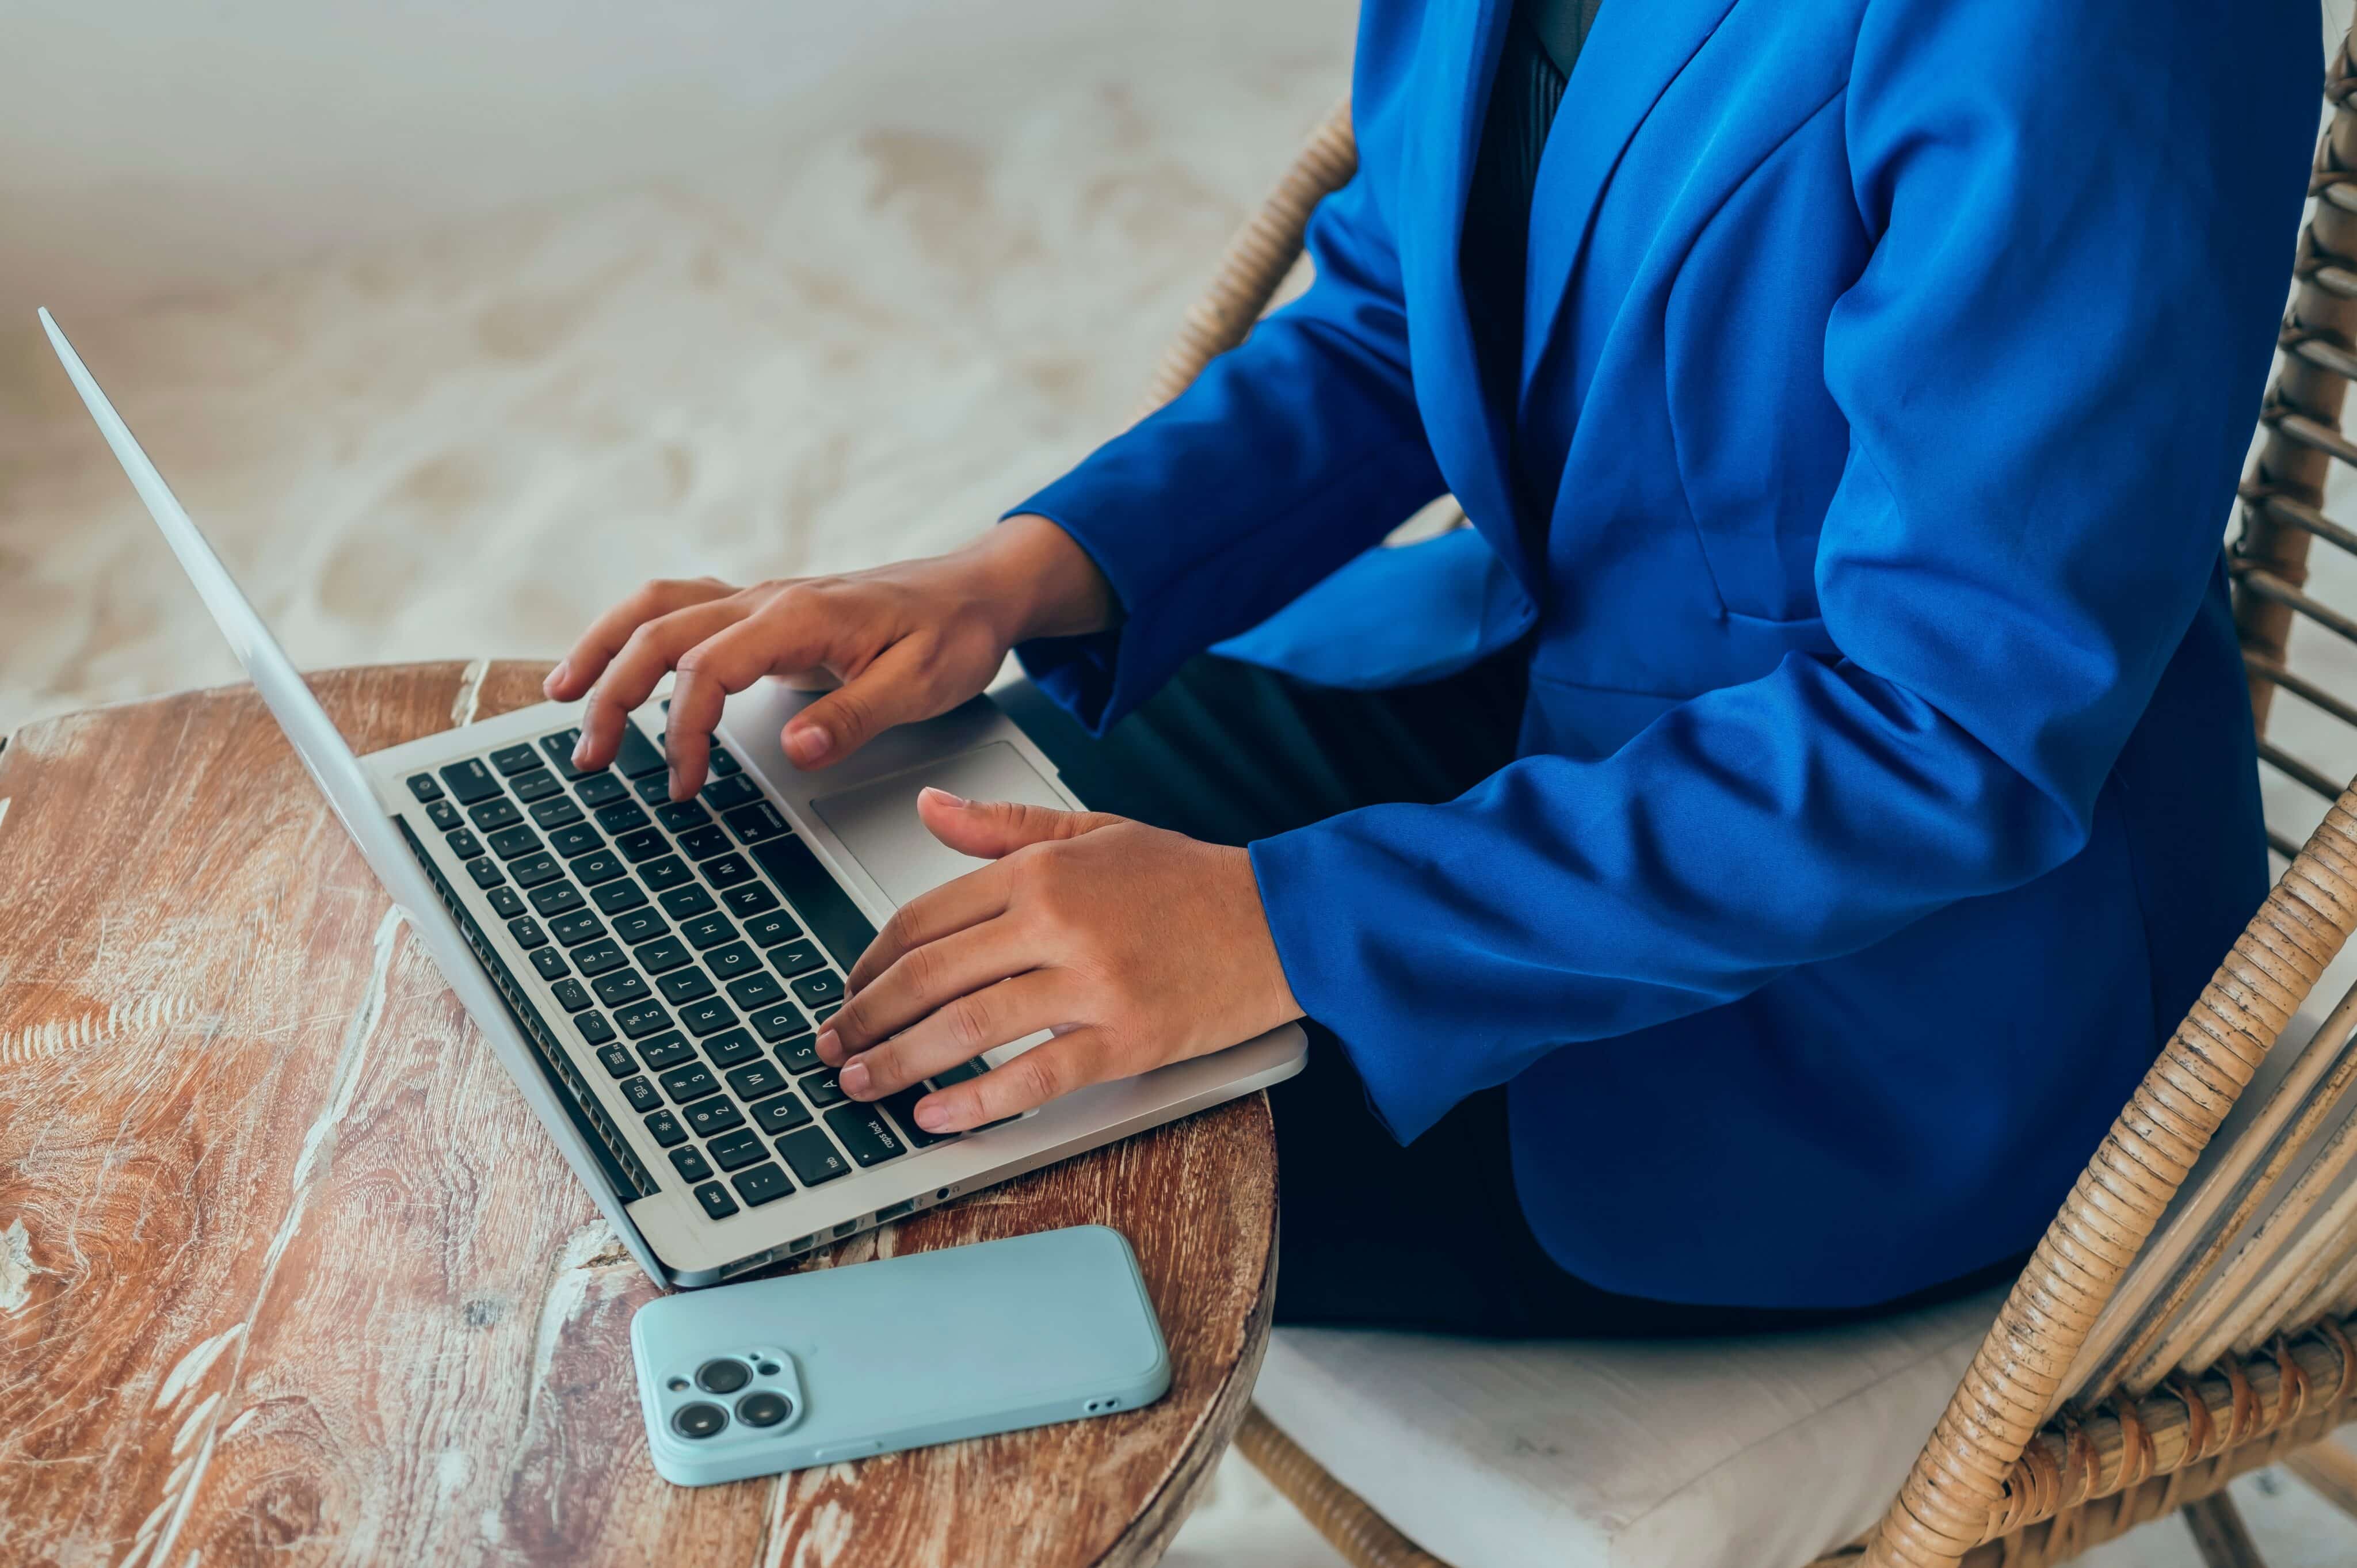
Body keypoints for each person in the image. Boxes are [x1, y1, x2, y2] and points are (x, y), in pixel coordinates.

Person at [553, 0, 2318, 1335]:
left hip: (1876, 997)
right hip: (1520, 677)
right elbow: (1412, 308)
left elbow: (1957, 730)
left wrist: (1286, 928)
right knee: (725, 921)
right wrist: (1016, 576)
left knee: (861, 1196)